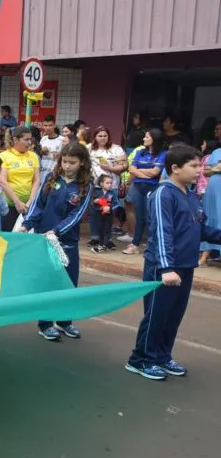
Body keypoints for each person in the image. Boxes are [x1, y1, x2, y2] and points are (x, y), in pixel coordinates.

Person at [125, 145, 221, 380]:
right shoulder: (163, 194)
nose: (200, 170)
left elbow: (200, 229)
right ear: (175, 168)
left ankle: (161, 356)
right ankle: (140, 359)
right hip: (164, 268)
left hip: (186, 267)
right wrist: (167, 268)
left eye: (200, 165)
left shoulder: (190, 196)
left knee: (173, 315)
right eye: (194, 166)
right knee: (157, 315)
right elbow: (161, 234)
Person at [19, 143, 93, 341]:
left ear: (82, 163)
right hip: (44, 241)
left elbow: (76, 215)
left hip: (66, 243)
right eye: (64, 161)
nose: (67, 166)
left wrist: (57, 231)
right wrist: (27, 224)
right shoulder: (51, 179)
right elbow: (38, 206)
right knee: (48, 282)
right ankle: (45, 323)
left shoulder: (85, 186)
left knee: (68, 282)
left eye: (72, 162)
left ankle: (64, 321)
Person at [123, 129, 167, 255]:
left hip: (152, 188)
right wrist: (147, 174)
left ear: (154, 139)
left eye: (146, 137)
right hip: (137, 187)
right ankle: (135, 244)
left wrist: (140, 172)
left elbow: (156, 172)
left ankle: (152, 246)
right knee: (139, 216)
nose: (143, 139)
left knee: (151, 217)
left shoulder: (163, 154)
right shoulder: (141, 152)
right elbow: (131, 169)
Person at [0, 126, 40, 231]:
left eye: (30, 139)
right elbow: (3, 181)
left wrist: (30, 202)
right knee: (8, 237)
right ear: (16, 140)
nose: (29, 142)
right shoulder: (4, 156)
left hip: (28, 206)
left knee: (26, 238)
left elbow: (36, 181)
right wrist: (17, 202)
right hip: (9, 205)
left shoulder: (33, 156)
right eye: (26, 139)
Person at [89, 174, 120, 253]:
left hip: (108, 215)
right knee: (100, 229)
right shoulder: (97, 192)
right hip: (98, 214)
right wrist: (95, 201)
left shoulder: (112, 193)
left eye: (110, 183)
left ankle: (104, 245)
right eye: (107, 183)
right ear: (101, 184)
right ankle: (101, 244)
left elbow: (116, 204)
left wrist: (109, 208)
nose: (109, 185)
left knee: (107, 230)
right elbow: (91, 202)